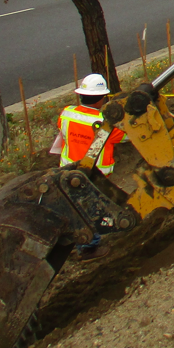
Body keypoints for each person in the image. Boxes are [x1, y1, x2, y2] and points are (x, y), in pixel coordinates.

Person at [49, 73, 125, 261]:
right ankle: (89, 247)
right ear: (101, 98)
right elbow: (125, 136)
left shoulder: (66, 113)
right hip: (93, 175)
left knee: (72, 207)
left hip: (67, 170)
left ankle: (66, 241)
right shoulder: (105, 123)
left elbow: (64, 130)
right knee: (90, 209)